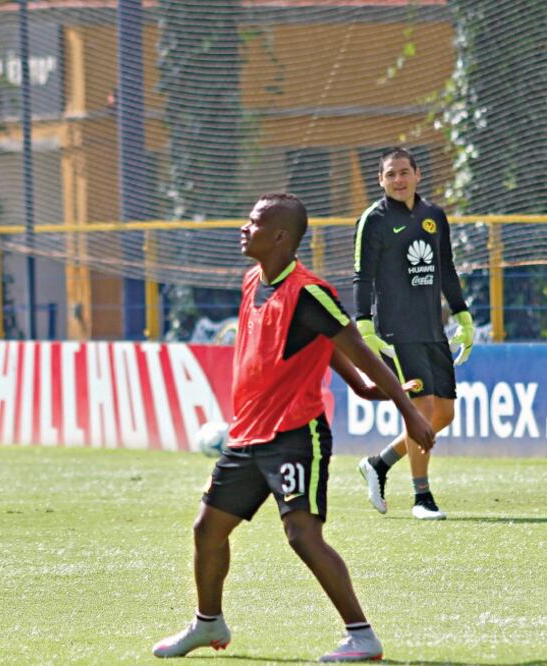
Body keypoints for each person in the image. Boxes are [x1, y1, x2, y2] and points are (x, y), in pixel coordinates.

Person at [152, 194, 435, 662]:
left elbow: (354, 346)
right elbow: (319, 344)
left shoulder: (308, 291)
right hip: (246, 435)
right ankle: (208, 623)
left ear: (280, 236)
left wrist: (407, 411)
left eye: (254, 222)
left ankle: (362, 637)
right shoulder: (251, 281)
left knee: (303, 535)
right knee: (207, 529)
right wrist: (362, 390)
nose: (244, 228)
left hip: (294, 434)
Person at [352, 147, 473, 520]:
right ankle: (422, 498)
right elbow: (363, 275)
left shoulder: (435, 216)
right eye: (391, 174)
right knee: (421, 409)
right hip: (395, 331)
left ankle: (379, 463)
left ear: (418, 175)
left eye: (404, 172)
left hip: (432, 328)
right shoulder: (373, 219)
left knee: (445, 413)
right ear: (381, 180)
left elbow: (448, 270)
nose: (399, 180)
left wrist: (463, 317)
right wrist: (364, 323)